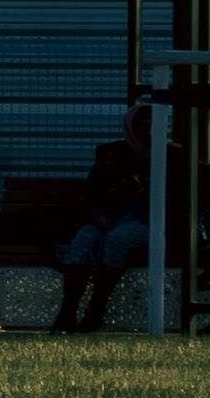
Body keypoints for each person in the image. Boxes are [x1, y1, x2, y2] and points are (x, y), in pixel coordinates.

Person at [55, 127, 148, 333]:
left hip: (143, 222)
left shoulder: (165, 157)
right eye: (141, 126)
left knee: (116, 240)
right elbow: (90, 195)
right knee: (84, 239)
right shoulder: (112, 156)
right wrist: (97, 212)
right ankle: (67, 312)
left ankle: (96, 309)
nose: (146, 132)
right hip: (108, 220)